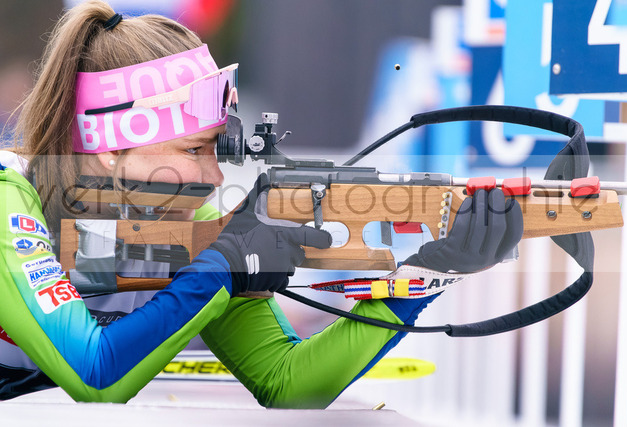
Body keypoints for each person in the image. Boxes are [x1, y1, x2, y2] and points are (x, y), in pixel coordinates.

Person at [0, 1, 523, 407]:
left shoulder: (189, 222)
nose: (214, 178)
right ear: (111, 149)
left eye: (216, 148)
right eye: (193, 151)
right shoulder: (10, 196)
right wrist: (220, 269)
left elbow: (288, 382)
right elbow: (94, 376)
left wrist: (426, 275)